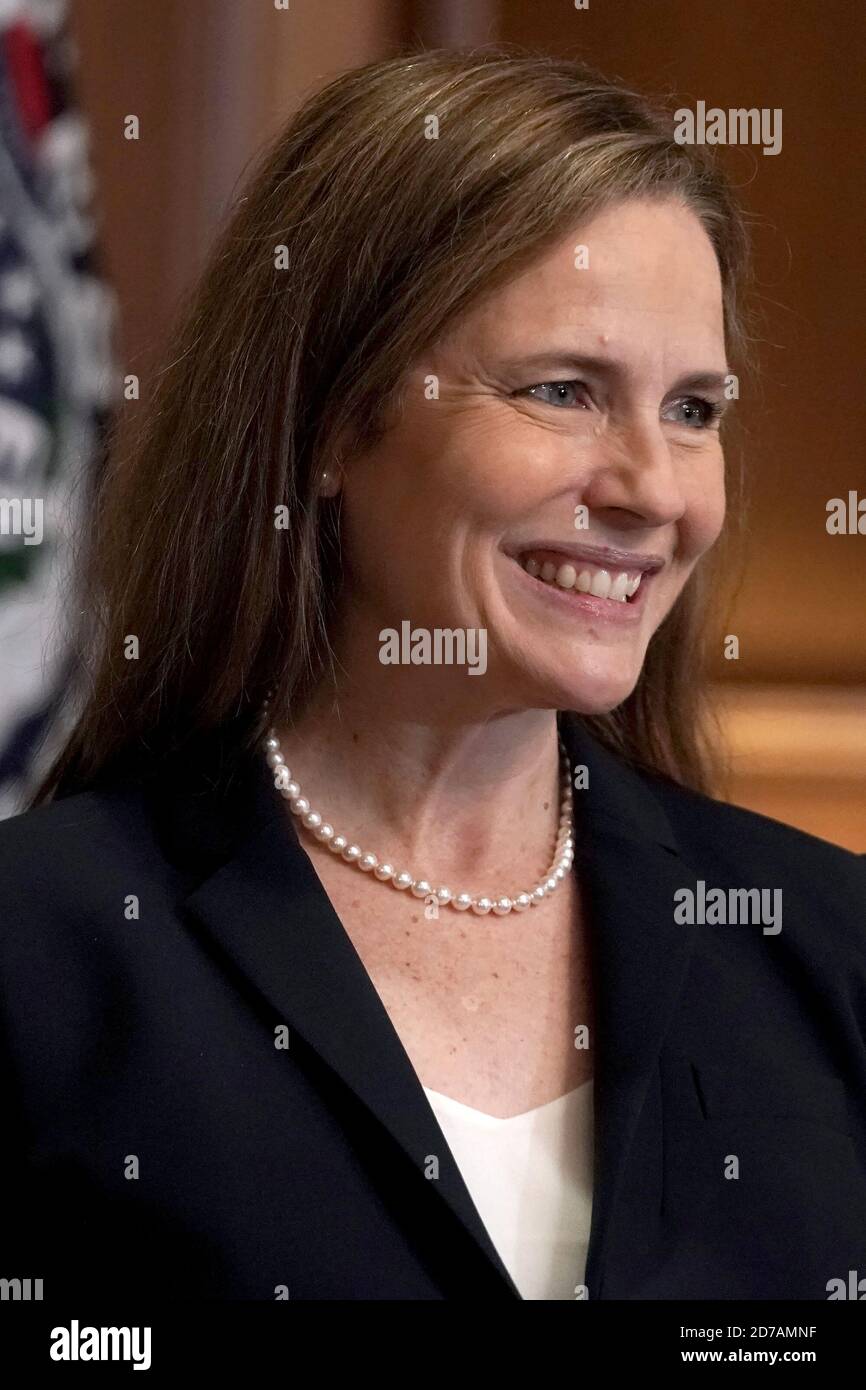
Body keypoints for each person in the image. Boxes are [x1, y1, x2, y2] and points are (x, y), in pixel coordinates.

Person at [1, 48, 864, 1302]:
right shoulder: (41, 951)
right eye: (562, 391)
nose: (651, 489)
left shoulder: (826, 944)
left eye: (691, 410)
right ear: (331, 422)